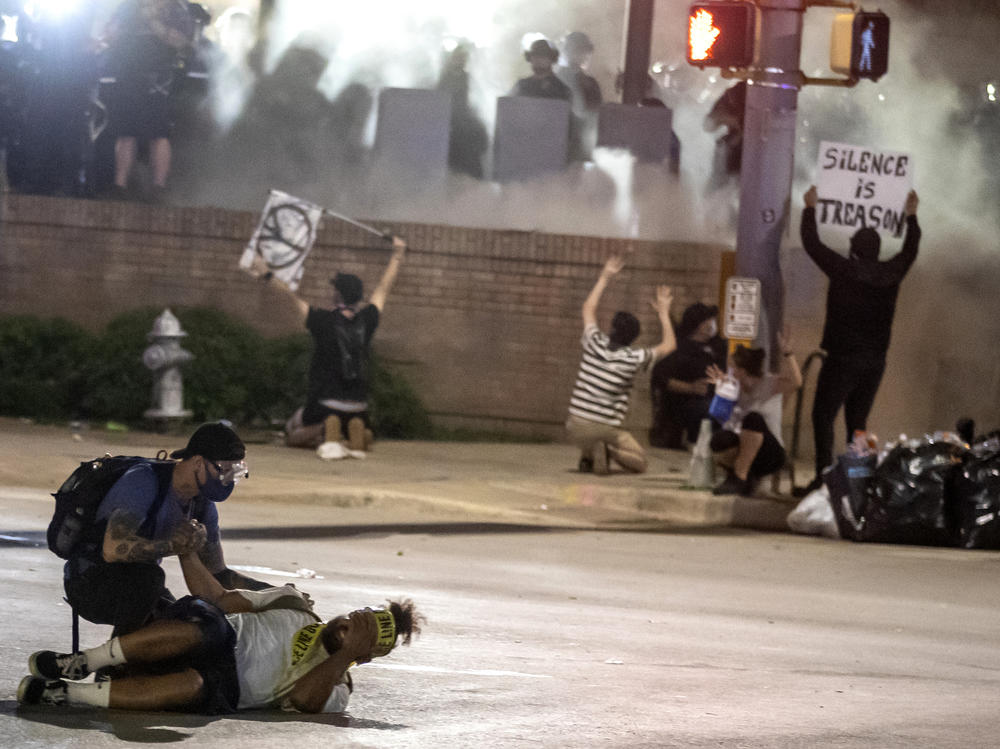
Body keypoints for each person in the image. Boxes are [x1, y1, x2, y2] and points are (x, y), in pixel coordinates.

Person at [19, 549, 422, 713]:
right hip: (221, 632)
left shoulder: (338, 690)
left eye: (365, 634)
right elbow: (220, 597)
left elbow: (302, 700)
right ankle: (80, 662)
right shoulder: (294, 604)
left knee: (197, 684)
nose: (352, 627)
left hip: (232, 683)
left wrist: (342, 656)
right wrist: (187, 550)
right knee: (206, 628)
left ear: (366, 655)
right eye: (358, 618)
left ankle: (66, 694)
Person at [62, 421, 270, 638]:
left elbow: (218, 573)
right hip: (89, 582)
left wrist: (275, 594)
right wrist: (174, 545)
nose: (228, 482)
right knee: (150, 578)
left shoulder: (201, 504)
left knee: (194, 623)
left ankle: (93, 662)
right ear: (199, 462)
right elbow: (113, 550)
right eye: (225, 472)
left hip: (139, 587)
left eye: (235, 475)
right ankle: (113, 667)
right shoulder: (143, 482)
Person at [796, 185, 921, 496]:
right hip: (874, 362)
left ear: (853, 247)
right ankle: (858, 483)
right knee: (858, 422)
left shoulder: (843, 269)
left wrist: (810, 207)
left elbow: (812, 243)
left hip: (842, 359)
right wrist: (912, 217)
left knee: (823, 416)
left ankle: (824, 478)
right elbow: (909, 251)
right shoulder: (890, 274)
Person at [251, 237, 407, 451]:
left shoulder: (321, 320)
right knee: (341, 422)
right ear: (358, 297)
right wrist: (397, 255)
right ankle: (355, 433)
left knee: (294, 434)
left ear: (338, 294)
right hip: (358, 405)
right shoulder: (368, 319)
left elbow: (289, 298)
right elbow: (383, 289)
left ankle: (325, 430)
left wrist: (266, 273)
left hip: (326, 404)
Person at [566, 253, 676, 475]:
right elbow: (669, 345)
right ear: (633, 337)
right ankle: (609, 452)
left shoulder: (594, 342)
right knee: (640, 462)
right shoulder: (632, 358)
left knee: (590, 432)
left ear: (612, 327)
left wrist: (605, 277)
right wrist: (664, 312)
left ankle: (588, 456)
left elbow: (588, 308)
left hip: (574, 425)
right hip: (603, 429)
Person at [100, 0, 196, 200]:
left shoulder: (176, 8)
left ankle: (159, 186)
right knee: (125, 131)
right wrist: (115, 31)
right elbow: (109, 35)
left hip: (159, 78)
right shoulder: (128, 7)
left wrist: (154, 22)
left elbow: (182, 42)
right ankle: (120, 185)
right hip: (128, 74)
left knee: (158, 132)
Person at [706, 338, 802, 496]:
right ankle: (743, 476)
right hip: (745, 448)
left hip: (770, 453)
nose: (730, 372)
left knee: (753, 418)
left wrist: (788, 354)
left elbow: (796, 382)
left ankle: (739, 477)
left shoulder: (769, 383)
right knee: (719, 439)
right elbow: (721, 416)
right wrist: (722, 391)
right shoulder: (735, 388)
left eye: (733, 368)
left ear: (742, 371)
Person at [649, 302, 727, 450]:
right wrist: (690, 388)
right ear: (699, 325)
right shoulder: (681, 349)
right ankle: (694, 439)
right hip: (689, 403)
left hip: (718, 396)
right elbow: (660, 378)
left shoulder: (718, 347)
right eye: (709, 321)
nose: (712, 324)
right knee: (708, 408)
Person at [555, 31, 601, 161]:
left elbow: (596, 115)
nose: (579, 54)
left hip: (582, 144)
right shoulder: (555, 82)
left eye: (582, 50)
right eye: (574, 49)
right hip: (558, 141)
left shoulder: (591, 84)